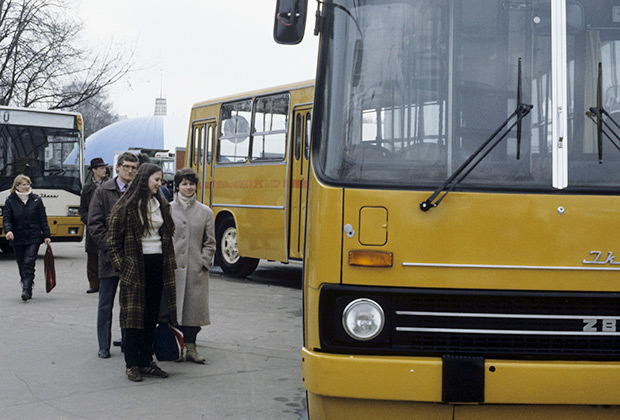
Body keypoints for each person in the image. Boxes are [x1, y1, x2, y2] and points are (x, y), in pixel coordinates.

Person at [107, 163, 178, 382]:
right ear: (144, 179)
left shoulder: (161, 204)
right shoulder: (126, 205)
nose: (160, 183)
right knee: (132, 318)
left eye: (160, 179)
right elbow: (112, 241)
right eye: (156, 179)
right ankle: (132, 365)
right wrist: (123, 266)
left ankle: (147, 361)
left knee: (151, 316)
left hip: (158, 265)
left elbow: (168, 232)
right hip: (135, 266)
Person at [88, 152, 139, 359]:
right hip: (109, 257)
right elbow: (94, 223)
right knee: (105, 303)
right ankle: (103, 345)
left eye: (134, 168)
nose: (130, 171)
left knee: (129, 304)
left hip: (132, 257)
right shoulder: (103, 191)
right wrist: (109, 247)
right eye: (126, 166)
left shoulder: (138, 191)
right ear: (117, 167)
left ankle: (128, 341)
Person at [170, 168, 215, 363]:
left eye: (191, 184)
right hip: (172, 270)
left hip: (195, 270)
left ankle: (191, 348)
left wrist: (203, 262)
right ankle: (175, 347)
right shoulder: (167, 208)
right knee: (172, 311)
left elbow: (210, 242)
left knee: (193, 313)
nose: (188, 187)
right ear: (177, 186)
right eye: (184, 184)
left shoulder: (205, 212)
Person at [3, 175, 51, 301]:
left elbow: (43, 218)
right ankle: (26, 283)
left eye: (28, 184)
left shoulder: (36, 200)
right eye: (23, 184)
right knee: (21, 263)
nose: (26, 187)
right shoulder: (10, 201)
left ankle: (26, 289)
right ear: (17, 186)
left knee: (29, 262)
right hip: (17, 237)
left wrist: (47, 235)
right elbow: (7, 219)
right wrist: (8, 231)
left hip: (33, 236)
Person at [79, 157, 109, 294]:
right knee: (92, 256)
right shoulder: (87, 188)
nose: (104, 170)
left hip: (108, 226)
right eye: (101, 168)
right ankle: (93, 283)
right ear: (94, 170)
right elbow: (82, 209)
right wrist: (89, 220)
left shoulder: (110, 185)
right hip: (92, 228)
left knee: (107, 254)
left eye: (104, 168)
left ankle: (107, 282)